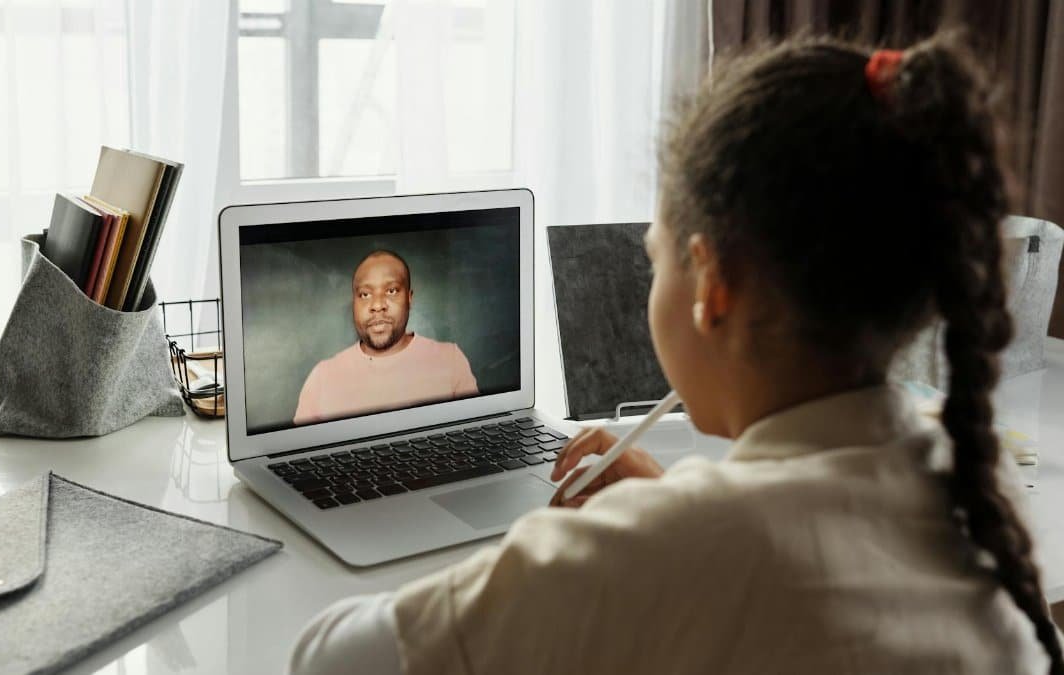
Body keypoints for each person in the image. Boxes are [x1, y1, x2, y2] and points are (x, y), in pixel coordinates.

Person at [288, 34, 1061, 674]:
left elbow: (325, 660)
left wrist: (608, 542)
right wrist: (680, 501)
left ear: (713, 284)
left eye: (655, 256)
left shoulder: (653, 556)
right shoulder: (971, 481)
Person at [293, 249, 479, 425]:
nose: (377, 305)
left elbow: (473, 438)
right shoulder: (322, 377)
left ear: (409, 298)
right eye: (365, 294)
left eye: (391, 291)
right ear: (354, 303)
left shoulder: (450, 360)